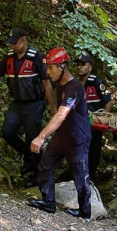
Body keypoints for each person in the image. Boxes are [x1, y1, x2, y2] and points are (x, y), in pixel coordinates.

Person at [0, 27, 57, 186]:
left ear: (23, 41)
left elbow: (47, 83)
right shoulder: (9, 58)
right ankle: (28, 157)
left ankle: (35, 174)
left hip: (34, 104)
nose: (11, 46)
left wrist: (53, 108)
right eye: (10, 43)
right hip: (17, 104)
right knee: (7, 131)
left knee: (33, 138)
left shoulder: (35, 57)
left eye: (14, 43)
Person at [27, 47, 92, 219]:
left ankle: (85, 211)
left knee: (80, 175)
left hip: (77, 138)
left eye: (51, 67)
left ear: (62, 66)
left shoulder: (75, 87)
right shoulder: (60, 84)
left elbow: (62, 114)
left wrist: (41, 137)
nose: (48, 72)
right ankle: (48, 202)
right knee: (46, 164)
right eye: (47, 67)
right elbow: (57, 110)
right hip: (62, 135)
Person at [75, 53, 112, 179]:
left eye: (83, 64)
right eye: (78, 64)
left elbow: (108, 100)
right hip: (80, 122)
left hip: (95, 123)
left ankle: (91, 173)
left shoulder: (96, 81)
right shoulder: (75, 84)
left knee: (94, 147)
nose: (80, 67)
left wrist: (105, 119)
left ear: (90, 67)